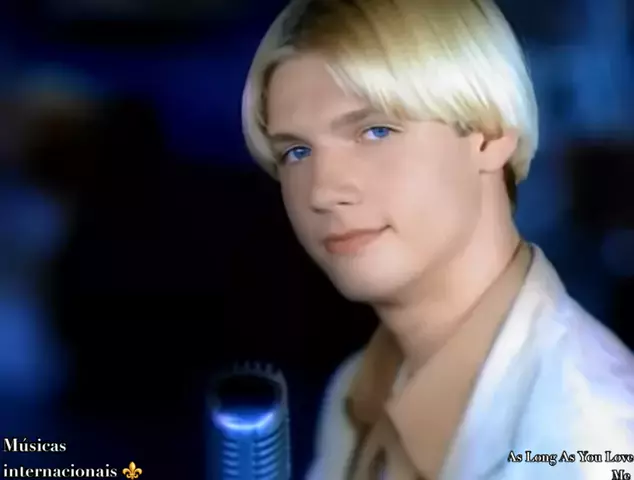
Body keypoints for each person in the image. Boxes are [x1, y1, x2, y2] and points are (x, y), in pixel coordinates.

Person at [241, 0, 634, 478]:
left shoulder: (588, 437)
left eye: (376, 131)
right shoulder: (357, 389)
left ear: (488, 135)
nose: (322, 191)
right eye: (297, 151)